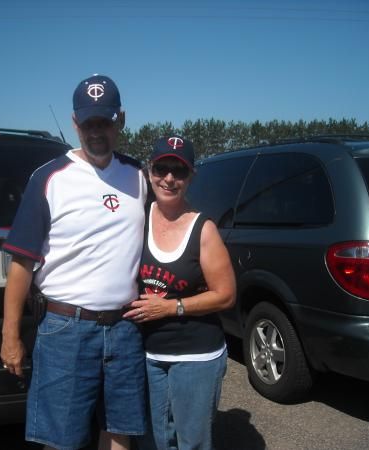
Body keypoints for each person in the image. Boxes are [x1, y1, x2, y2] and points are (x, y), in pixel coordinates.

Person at [0, 74, 148, 450]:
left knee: (120, 430)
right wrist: (10, 335)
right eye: (88, 123)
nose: (96, 132)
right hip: (66, 329)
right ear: (74, 123)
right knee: (61, 439)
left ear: (122, 120)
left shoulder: (138, 176)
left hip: (125, 327)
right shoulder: (49, 179)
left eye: (105, 122)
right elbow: (21, 265)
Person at [123, 135, 236, 450]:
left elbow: (226, 295)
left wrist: (170, 308)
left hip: (195, 356)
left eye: (179, 171)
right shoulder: (136, 219)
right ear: (149, 171)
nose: (169, 178)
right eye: (162, 168)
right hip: (146, 354)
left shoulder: (203, 229)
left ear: (191, 177)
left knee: (192, 442)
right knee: (153, 441)